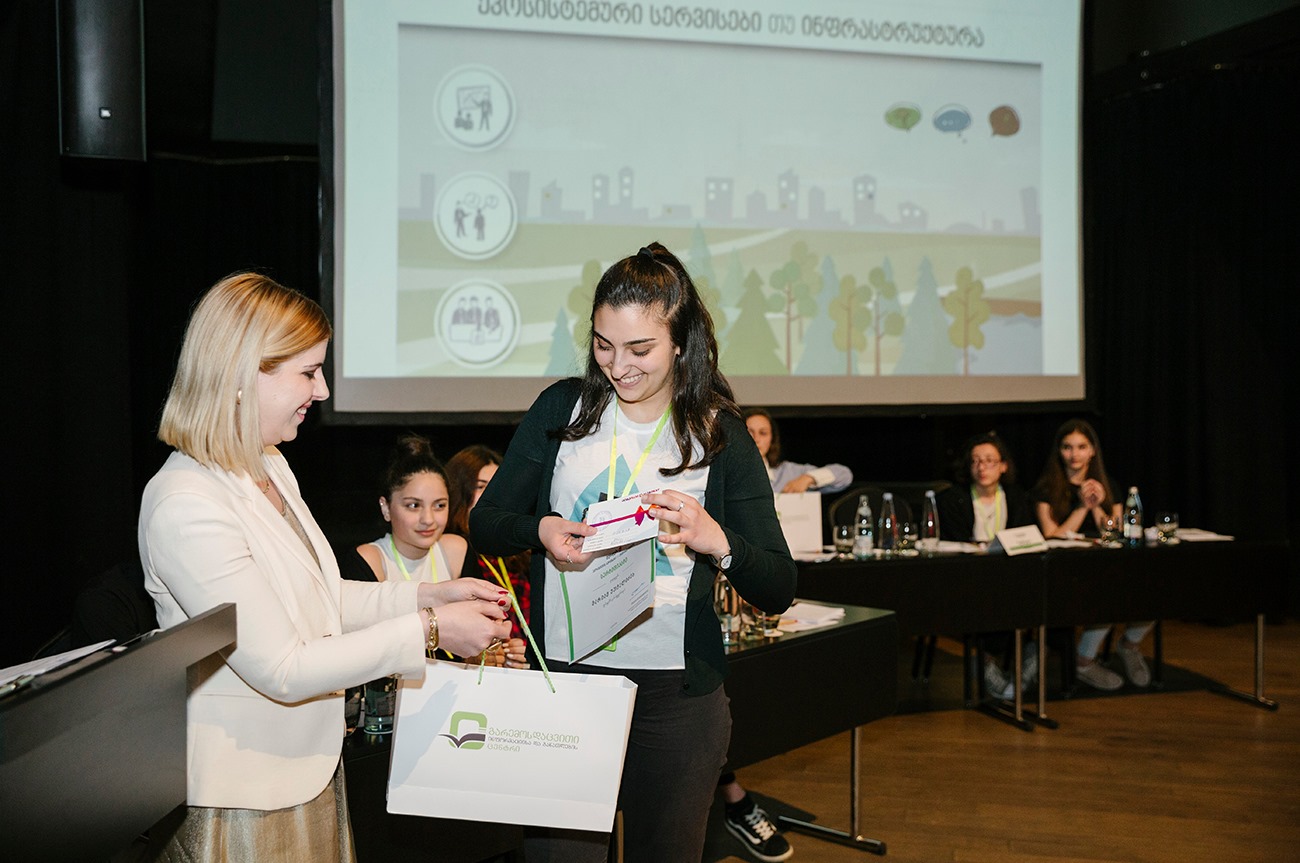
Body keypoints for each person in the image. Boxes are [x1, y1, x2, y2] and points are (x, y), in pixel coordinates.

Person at [137, 273, 512, 861]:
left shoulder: (268, 464)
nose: (323, 389)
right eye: (308, 372)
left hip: (308, 770)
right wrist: (432, 630)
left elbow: (320, 597)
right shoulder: (186, 503)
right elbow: (283, 667)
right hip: (245, 797)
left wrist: (428, 597)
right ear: (243, 373)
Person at [470, 242, 797, 863]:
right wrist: (541, 530)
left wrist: (716, 540)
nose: (618, 366)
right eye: (603, 344)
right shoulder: (562, 408)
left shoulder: (721, 435)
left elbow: (779, 586)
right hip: (566, 684)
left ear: (680, 343)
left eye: (639, 349)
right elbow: (486, 523)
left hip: (676, 701)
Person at [354, 434, 527, 668]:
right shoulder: (370, 559)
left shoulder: (456, 549)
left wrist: (492, 653)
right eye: (413, 505)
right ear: (386, 507)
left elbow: (478, 640)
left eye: (439, 505)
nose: (428, 519)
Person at [1031, 419, 1153, 691]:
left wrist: (1097, 506)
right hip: (1064, 569)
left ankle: (1129, 646)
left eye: (1081, 447)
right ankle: (1084, 662)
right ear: (1059, 451)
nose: (1074, 454)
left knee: (1152, 590)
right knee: (1105, 594)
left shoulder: (1109, 485)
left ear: (1092, 451)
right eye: (1067, 447)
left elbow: (1116, 533)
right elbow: (1052, 536)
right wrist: (1082, 507)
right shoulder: (1046, 488)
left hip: (1104, 564)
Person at [937, 431, 1037, 699]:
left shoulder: (1016, 497)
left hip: (1010, 574)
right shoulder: (953, 498)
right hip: (969, 577)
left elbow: (1025, 536)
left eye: (990, 461)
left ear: (1003, 466)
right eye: (976, 461)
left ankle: (1027, 658)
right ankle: (987, 662)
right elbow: (953, 543)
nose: (982, 468)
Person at [445, 444, 532, 641]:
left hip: (526, 656)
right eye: (481, 486)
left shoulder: (518, 551)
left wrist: (522, 650)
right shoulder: (450, 550)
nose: (491, 495)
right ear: (459, 491)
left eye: (496, 487)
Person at [743, 406, 853, 494]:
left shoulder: (788, 473)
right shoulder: (732, 475)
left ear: (772, 440)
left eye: (763, 433)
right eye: (749, 433)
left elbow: (844, 475)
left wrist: (808, 478)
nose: (756, 439)